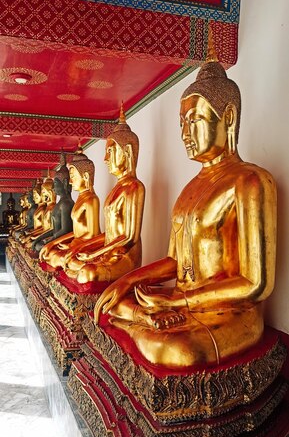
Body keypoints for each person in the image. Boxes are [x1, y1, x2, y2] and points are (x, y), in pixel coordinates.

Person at [94, 55, 277, 368]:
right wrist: (127, 281)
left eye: (195, 121)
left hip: (231, 312)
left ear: (229, 118)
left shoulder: (250, 180)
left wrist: (179, 300)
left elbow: (255, 283)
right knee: (115, 301)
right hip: (184, 303)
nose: (185, 133)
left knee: (178, 350)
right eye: (182, 123)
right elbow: (174, 261)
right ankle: (146, 320)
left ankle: (146, 323)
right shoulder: (189, 189)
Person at [63, 107, 145, 283]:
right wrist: (85, 249)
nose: (105, 159)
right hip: (108, 251)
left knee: (87, 273)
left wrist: (94, 252)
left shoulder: (134, 187)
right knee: (71, 260)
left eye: (110, 152)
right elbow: (109, 234)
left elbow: (129, 237)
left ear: (128, 152)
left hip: (125, 256)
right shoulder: (115, 190)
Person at [39, 146, 100, 268]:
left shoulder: (91, 200)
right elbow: (75, 232)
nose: (71, 182)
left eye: (73, 176)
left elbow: (93, 235)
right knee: (50, 254)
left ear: (86, 177)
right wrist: (53, 243)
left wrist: (73, 247)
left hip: (85, 247)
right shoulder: (79, 199)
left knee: (68, 262)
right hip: (75, 245)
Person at [32, 162, 74, 253]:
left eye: (55, 183)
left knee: (41, 247)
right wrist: (39, 238)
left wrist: (50, 240)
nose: (53, 187)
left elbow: (66, 230)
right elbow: (54, 229)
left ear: (65, 183)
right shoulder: (59, 204)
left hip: (63, 241)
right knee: (38, 244)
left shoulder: (66, 204)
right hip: (56, 239)